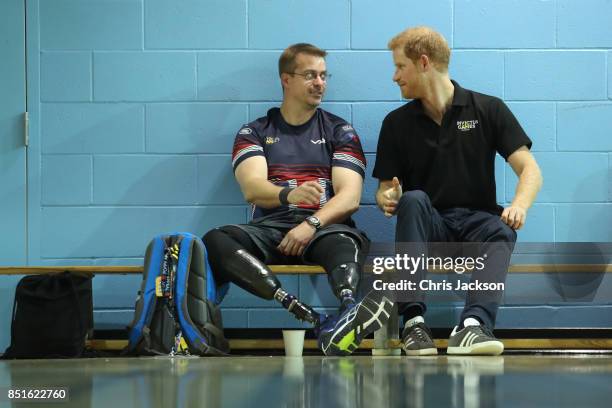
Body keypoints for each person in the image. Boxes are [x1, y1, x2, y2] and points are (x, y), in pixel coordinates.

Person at [203, 43, 393, 356]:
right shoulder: (254, 131)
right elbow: (252, 188)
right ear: (286, 79)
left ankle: (348, 312)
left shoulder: (340, 131)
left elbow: (350, 197)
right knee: (215, 239)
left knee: (347, 240)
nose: (320, 83)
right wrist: (290, 194)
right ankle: (311, 316)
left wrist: (311, 222)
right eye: (310, 75)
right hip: (270, 229)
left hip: (325, 228)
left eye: (323, 75)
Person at [373, 27, 542, 356]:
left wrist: (520, 205)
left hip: (476, 227)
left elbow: (530, 170)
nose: (394, 77)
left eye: (399, 67)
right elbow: (384, 190)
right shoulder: (396, 123)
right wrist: (386, 198)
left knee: (502, 227)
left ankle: (473, 327)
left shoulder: (488, 108)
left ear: (423, 63)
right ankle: (413, 323)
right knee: (413, 198)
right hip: (429, 227)